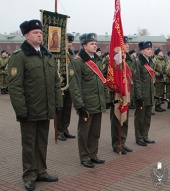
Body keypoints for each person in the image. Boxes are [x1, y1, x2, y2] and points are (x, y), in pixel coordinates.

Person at [8, 19, 63, 191]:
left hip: (46, 108)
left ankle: (42, 172)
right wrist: (21, 110)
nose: (39, 34)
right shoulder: (19, 56)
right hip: (30, 110)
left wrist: (57, 104)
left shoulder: (47, 55)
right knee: (29, 144)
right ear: (26, 35)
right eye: (35, 32)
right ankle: (29, 175)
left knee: (42, 142)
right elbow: (15, 86)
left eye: (40, 32)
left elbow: (55, 82)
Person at [69, 33, 106, 168]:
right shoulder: (77, 62)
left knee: (95, 132)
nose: (95, 45)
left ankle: (93, 154)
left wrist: (105, 100)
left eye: (95, 43)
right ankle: (84, 157)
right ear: (84, 46)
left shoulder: (98, 60)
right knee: (84, 132)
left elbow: (101, 82)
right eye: (91, 43)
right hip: (86, 104)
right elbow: (74, 86)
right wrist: (79, 105)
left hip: (98, 102)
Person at [110, 36, 133, 154]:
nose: (127, 45)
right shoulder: (114, 59)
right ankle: (116, 144)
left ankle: (122, 142)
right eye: (124, 43)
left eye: (128, 44)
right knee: (117, 120)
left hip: (127, 94)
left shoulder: (129, 59)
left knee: (125, 120)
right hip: (117, 95)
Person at [134, 41, 155, 146]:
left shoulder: (151, 62)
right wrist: (138, 96)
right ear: (142, 51)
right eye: (147, 49)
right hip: (142, 95)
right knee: (140, 118)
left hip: (149, 94)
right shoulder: (138, 63)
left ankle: (145, 136)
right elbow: (136, 81)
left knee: (147, 117)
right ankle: (139, 137)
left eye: (150, 49)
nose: (150, 51)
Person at [57, 33, 76, 141]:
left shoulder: (71, 53)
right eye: (68, 42)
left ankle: (65, 129)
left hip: (70, 85)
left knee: (67, 109)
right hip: (61, 85)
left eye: (71, 42)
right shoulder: (59, 53)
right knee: (60, 109)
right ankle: (59, 131)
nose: (70, 44)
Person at [153, 48, 167, 112]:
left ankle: (159, 105)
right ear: (157, 53)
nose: (162, 53)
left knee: (161, 93)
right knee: (157, 93)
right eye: (160, 52)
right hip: (157, 79)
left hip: (162, 79)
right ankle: (157, 105)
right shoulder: (155, 60)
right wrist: (158, 74)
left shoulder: (163, 60)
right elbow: (152, 70)